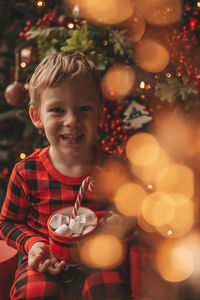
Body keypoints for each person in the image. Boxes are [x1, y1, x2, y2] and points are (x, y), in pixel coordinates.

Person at [0, 51, 135, 300]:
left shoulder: (113, 168)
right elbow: (7, 223)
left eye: (83, 109)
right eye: (58, 110)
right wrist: (33, 245)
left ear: (100, 114)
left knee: (110, 293)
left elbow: (132, 213)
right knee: (34, 293)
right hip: (44, 261)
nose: (72, 120)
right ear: (37, 117)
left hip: (99, 260)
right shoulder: (26, 172)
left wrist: (121, 223)